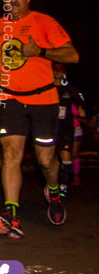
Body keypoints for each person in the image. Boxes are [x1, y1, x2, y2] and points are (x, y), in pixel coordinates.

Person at [0, 0, 79, 238]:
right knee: (11, 153)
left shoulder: (44, 22)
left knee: (46, 160)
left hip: (44, 100)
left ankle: (54, 193)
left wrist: (42, 52)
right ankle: (11, 213)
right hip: (11, 99)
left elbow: (72, 55)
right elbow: (9, 61)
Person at [52, 63, 87, 197]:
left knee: (67, 157)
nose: (57, 72)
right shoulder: (47, 88)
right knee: (49, 160)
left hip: (66, 129)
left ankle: (63, 187)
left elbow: (81, 101)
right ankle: (52, 185)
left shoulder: (70, 89)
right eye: (55, 69)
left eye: (60, 70)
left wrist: (81, 109)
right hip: (49, 128)